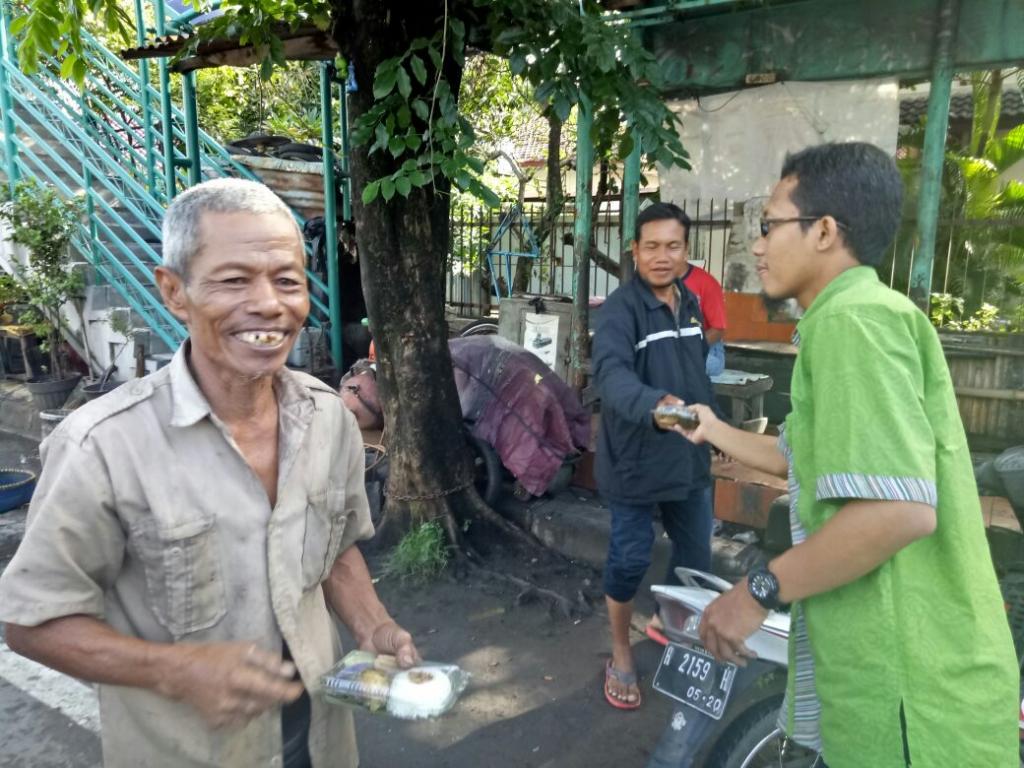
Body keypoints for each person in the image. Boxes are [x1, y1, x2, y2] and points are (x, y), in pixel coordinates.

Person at [0, 178, 420, 768]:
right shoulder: (101, 447)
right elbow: (30, 621)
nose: (270, 304)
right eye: (234, 280)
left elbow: (336, 548)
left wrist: (373, 624)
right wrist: (174, 669)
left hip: (323, 742)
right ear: (174, 292)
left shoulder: (329, 417)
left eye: (287, 280)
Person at [677, 142, 1018, 766]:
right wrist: (711, 429)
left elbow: (898, 512)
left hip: (911, 700)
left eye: (770, 225)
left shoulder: (851, 324)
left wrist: (755, 591)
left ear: (825, 231)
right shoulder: (866, 314)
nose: (757, 245)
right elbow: (804, 456)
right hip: (904, 684)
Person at [592, 202, 717, 710]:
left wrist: (713, 428)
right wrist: (655, 405)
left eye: (673, 246)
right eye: (651, 246)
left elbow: (696, 375)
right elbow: (612, 377)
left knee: (695, 559)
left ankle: (668, 625)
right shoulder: (622, 310)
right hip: (636, 460)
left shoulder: (689, 302)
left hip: (688, 460)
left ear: (686, 252)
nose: (662, 257)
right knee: (629, 560)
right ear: (635, 251)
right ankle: (621, 651)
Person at [680, 253, 727, 377]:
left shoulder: (706, 282)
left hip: (708, 351)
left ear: (685, 250)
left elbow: (718, 330)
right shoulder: (653, 282)